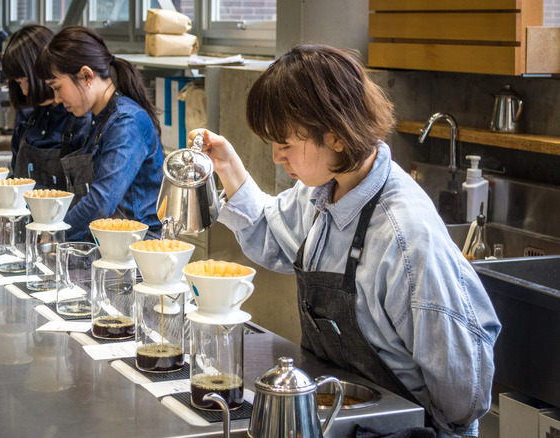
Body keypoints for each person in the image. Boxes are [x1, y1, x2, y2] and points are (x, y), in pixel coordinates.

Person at [189, 45, 501, 437]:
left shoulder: (405, 238)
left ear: (336, 137)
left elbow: (462, 396)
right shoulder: (324, 191)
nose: (275, 158)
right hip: (343, 421)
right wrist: (228, 166)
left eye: (285, 145)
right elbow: (271, 234)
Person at [36, 26, 164, 241]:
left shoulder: (126, 122)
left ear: (86, 75)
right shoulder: (99, 119)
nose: (56, 98)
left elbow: (101, 202)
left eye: (57, 87)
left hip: (132, 251)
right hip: (105, 244)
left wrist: (56, 235)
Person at [1, 24, 89, 186]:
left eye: (25, 80)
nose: (24, 91)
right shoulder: (27, 115)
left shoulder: (80, 116)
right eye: (18, 82)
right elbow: (15, 172)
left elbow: (87, 192)